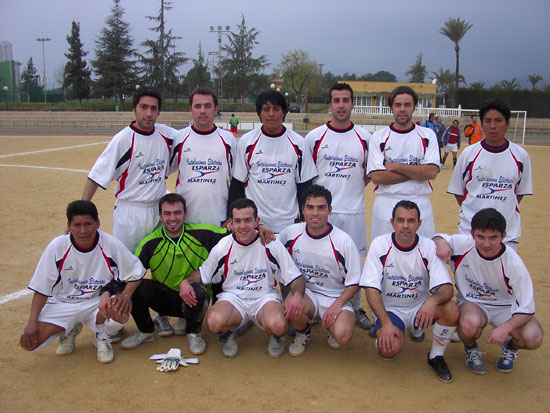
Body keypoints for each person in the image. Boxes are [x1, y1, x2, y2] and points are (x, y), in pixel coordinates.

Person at [20, 200, 146, 363]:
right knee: (30, 343)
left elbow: (136, 272)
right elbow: (41, 289)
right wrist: (32, 323)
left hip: (96, 303)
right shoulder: (57, 246)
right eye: (77, 225)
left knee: (120, 311)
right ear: (69, 226)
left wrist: (126, 295)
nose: (83, 230)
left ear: (97, 223)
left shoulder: (110, 244)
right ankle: (69, 329)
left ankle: (102, 336)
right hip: (63, 303)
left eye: (88, 224)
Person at [180, 198, 306, 358]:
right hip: (233, 299)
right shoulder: (222, 247)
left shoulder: (270, 243)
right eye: (238, 221)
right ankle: (227, 335)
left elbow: (296, 278)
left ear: (257, 221)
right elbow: (203, 273)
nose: (243, 226)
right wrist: (186, 281)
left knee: (279, 325)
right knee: (214, 323)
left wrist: (297, 295)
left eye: (248, 220)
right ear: (230, 223)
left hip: (264, 298)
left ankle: (276, 336)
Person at [433, 208, 543, 375]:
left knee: (533, 337)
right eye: (480, 237)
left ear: (504, 236)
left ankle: (510, 347)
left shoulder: (514, 263)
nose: (486, 244)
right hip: (473, 304)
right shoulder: (464, 245)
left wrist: (505, 328)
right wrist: (440, 242)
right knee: (469, 325)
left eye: (493, 238)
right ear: (472, 233)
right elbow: (438, 238)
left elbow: (527, 309)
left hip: (506, 307)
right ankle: (471, 348)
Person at [360, 200, 459, 383]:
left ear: (419, 224)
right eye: (400, 220)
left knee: (451, 309)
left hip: (419, 309)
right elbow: (371, 289)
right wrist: (386, 322)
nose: (405, 225)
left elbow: (446, 289)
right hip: (391, 310)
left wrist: (432, 302)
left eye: (411, 221)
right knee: (388, 350)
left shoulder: (429, 247)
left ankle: (436, 356)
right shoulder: (380, 245)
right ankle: (387, 330)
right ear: (392, 222)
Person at [119, 193, 228, 355]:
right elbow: (133, 272)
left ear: (185, 214)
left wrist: (259, 229)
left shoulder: (202, 234)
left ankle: (194, 333)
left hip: (194, 298)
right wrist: (125, 295)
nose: (172, 218)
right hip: (165, 300)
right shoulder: (150, 243)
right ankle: (146, 331)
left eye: (177, 213)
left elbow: (236, 236)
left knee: (198, 290)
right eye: (167, 213)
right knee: (135, 285)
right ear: (160, 216)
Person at [304, 82, 372, 329]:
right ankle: (313, 306)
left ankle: (354, 308)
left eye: (346, 100)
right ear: (330, 104)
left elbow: (368, 174)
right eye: (336, 100)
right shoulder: (314, 137)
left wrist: (351, 193)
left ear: (352, 104)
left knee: (352, 265)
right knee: (317, 260)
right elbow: (308, 177)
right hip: (321, 214)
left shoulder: (365, 138)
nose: (341, 105)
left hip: (352, 213)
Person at [82, 88, 175, 253]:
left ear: (158, 113)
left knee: (160, 262)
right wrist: (82, 211)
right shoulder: (123, 140)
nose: (148, 113)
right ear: (134, 110)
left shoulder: (166, 135)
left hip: (158, 210)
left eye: (153, 108)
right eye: (143, 107)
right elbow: (97, 175)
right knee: (128, 266)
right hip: (130, 213)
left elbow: (192, 138)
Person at [279, 185, 362, 356]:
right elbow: (271, 246)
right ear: (302, 210)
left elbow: (355, 282)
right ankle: (303, 332)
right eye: (310, 207)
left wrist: (337, 305)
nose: (315, 213)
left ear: (330, 210)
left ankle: (331, 326)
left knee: (342, 336)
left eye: (321, 208)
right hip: (307, 294)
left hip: (336, 297)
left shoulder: (343, 241)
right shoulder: (290, 234)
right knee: (291, 307)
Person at [229, 90, 317, 234]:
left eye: (276, 109)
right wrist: (231, 218)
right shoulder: (246, 142)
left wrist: (303, 218)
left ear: (284, 112)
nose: (271, 114)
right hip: (254, 226)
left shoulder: (298, 143)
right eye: (266, 109)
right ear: (259, 113)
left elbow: (305, 186)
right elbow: (237, 185)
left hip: (289, 226)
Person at [447, 100, 532, 247]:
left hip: (506, 236)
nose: (493, 126)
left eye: (498, 121)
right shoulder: (468, 154)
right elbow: (459, 192)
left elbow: (519, 193)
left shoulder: (520, 156)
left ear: (507, 124)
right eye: (488, 121)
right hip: (470, 233)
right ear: (482, 124)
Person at [367, 86, 440, 242]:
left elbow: (431, 173)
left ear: (414, 107)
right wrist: (417, 171)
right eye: (398, 105)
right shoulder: (379, 137)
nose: (402, 109)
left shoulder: (427, 135)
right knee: (385, 257)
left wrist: (395, 166)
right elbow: (378, 177)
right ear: (391, 107)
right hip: (386, 203)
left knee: (422, 256)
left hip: (419, 202)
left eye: (407, 105)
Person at [170, 88, 237, 227]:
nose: (202, 111)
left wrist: (231, 217)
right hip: (186, 222)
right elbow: (163, 172)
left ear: (215, 109)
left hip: (220, 221)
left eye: (207, 106)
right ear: (191, 109)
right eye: (197, 106)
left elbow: (236, 182)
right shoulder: (179, 138)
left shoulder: (228, 139)